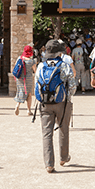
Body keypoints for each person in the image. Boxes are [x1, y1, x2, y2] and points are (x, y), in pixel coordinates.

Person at [35, 39, 74, 173]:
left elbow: (37, 83)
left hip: (45, 102)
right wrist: (68, 97)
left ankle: (49, 164)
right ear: (59, 53)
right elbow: (72, 85)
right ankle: (63, 157)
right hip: (62, 102)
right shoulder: (64, 65)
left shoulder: (41, 66)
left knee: (47, 133)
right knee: (63, 129)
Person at [12, 45, 37, 116]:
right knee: (29, 94)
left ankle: (18, 104)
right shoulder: (31, 61)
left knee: (20, 91)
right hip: (28, 79)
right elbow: (35, 71)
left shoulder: (19, 58)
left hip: (19, 78)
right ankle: (28, 110)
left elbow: (15, 67)